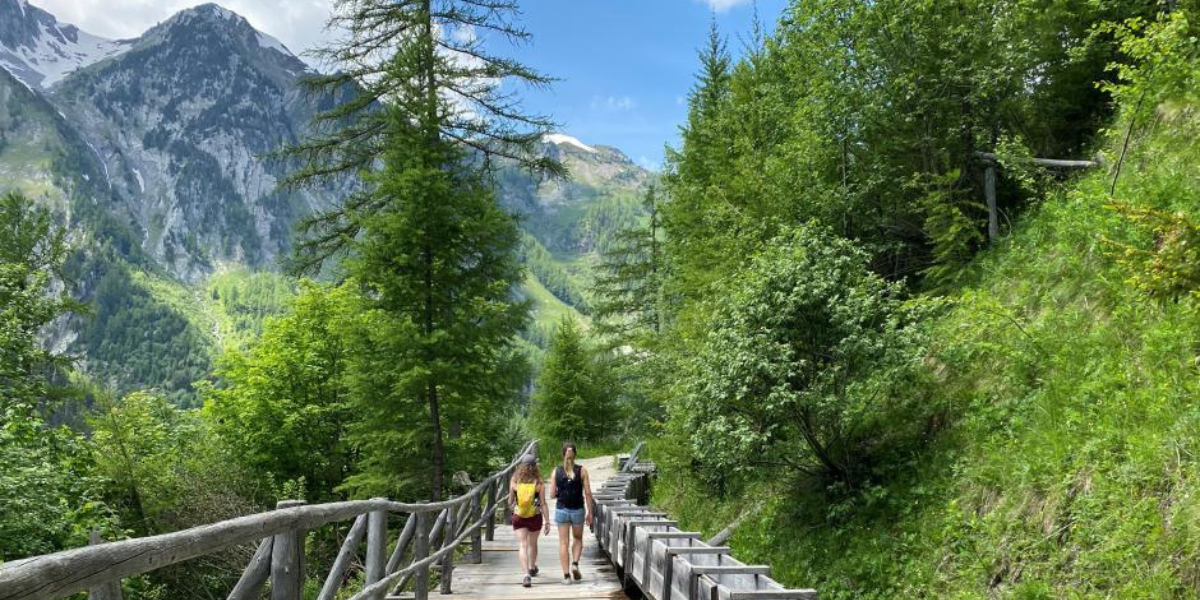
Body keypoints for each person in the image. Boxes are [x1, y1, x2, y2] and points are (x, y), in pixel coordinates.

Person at [544, 441, 593, 585]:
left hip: (562, 510)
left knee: (563, 543)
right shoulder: (582, 470)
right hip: (577, 509)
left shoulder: (556, 472)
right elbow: (588, 493)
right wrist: (590, 512)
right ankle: (575, 564)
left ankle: (566, 576)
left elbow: (552, 495)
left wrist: (560, 490)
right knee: (577, 539)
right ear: (575, 454)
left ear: (562, 454)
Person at [509, 454, 544, 588]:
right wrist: (546, 520)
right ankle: (532, 566)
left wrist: (512, 504)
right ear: (535, 466)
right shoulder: (538, 481)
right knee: (533, 544)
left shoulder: (514, 480)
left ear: (520, 466)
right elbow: (542, 502)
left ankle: (526, 575)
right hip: (535, 515)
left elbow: (510, 501)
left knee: (522, 545)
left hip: (519, 516)